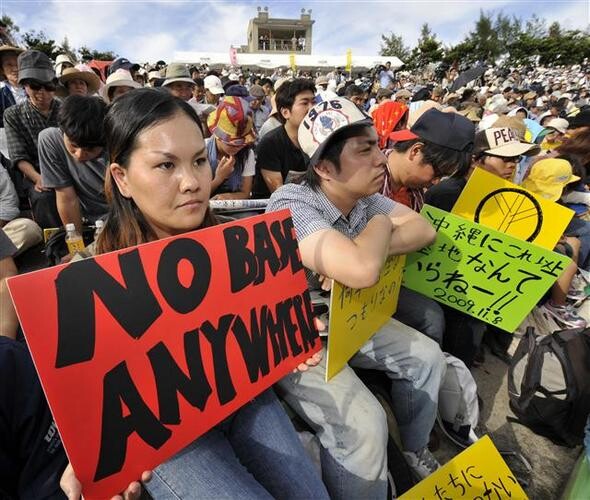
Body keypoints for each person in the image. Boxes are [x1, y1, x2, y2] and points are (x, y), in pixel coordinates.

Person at [91, 88, 329, 499]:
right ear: (122, 177)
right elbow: (84, 401)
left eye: (199, 161)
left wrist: (286, 333)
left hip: (243, 399)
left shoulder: (239, 246)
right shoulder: (88, 284)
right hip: (168, 440)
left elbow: (252, 335)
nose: (192, 182)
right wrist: (82, 457)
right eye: (166, 165)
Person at [266, 97, 446, 497]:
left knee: (428, 357)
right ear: (325, 168)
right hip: (295, 335)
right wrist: (372, 240)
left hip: (349, 318)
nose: (381, 158)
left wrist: (371, 235)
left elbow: (423, 230)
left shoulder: (367, 200)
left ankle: (415, 452)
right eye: (364, 150)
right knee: (365, 426)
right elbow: (362, 270)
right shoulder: (292, 201)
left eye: (376, 145)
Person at [4, 49, 62, 228]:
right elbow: (18, 156)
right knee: (43, 197)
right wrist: (37, 178)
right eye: (35, 86)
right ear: (24, 86)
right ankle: (56, 246)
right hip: (36, 171)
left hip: (68, 168)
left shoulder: (66, 109)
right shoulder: (13, 114)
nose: (42, 93)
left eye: (48, 86)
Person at [39, 95, 109, 231]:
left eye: (90, 149)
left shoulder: (117, 141)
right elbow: (67, 199)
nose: (79, 155)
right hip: (92, 224)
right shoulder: (50, 140)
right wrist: (77, 243)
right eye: (73, 145)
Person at [253, 78, 315, 198]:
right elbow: (279, 192)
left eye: (314, 102)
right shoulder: (270, 143)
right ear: (286, 112)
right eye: (304, 103)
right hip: (272, 209)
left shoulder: (317, 138)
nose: (312, 108)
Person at [206, 96, 256, 200]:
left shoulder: (246, 154)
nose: (237, 147)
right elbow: (195, 196)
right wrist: (219, 179)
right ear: (217, 135)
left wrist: (226, 198)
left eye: (242, 144)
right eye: (232, 144)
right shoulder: (202, 150)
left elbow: (245, 193)